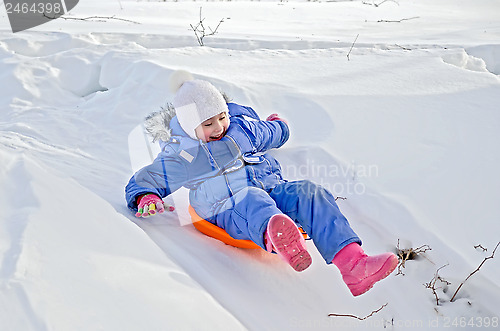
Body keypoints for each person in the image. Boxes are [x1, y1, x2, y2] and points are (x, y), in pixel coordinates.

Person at [125, 70, 398, 296]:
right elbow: (148, 178)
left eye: (222, 117)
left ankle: (353, 264)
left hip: (273, 189)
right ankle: (279, 238)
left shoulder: (243, 129)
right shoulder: (185, 154)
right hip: (226, 208)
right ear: (189, 127)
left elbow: (275, 133)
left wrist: (279, 126)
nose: (219, 127)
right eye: (208, 124)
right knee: (253, 198)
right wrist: (146, 196)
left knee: (309, 192)